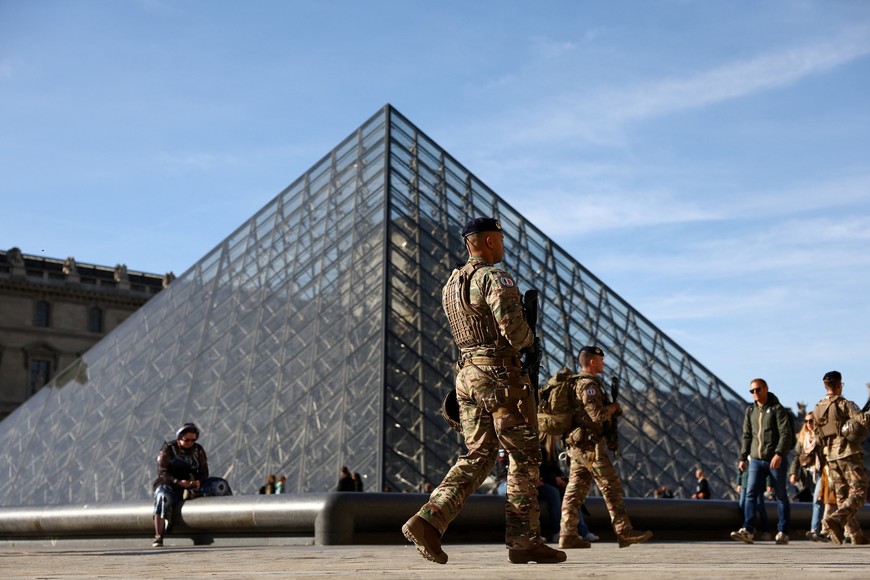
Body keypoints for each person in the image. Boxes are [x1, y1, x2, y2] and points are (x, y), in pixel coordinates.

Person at [402, 216, 565, 565]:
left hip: (467, 376)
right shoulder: (495, 277)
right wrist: (530, 341)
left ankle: (428, 520)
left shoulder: (451, 283)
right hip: (500, 378)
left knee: (478, 455)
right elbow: (512, 329)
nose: (504, 246)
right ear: (489, 241)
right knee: (524, 458)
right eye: (501, 240)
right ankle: (524, 541)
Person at [557, 346, 652, 549]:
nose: (603, 364)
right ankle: (624, 531)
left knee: (575, 491)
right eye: (601, 360)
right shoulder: (588, 385)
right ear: (592, 362)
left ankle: (567, 534)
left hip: (578, 446)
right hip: (591, 447)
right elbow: (596, 415)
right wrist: (614, 408)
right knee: (611, 488)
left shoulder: (576, 383)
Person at [730, 378, 793, 545]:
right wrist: (743, 457)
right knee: (750, 494)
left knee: (781, 496)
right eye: (752, 391)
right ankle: (748, 529)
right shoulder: (750, 411)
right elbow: (746, 436)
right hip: (756, 460)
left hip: (774, 459)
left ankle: (782, 531)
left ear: (766, 389)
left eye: (757, 390)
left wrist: (779, 454)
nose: (755, 394)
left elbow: (785, 433)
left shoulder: (777, 409)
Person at [151, 423, 232, 547]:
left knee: (221, 485)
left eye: (193, 440)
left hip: (192, 485)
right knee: (162, 497)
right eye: (187, 440)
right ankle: (159, 535)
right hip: (171, 485)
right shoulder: (168, 449)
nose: (190, 443)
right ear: (179, 437)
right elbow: (162, 473)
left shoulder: (198, 450)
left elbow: (204, 472)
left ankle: (229, 524)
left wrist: (199, 481)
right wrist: (178, 482)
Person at [813, 371, 869, 545]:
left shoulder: (817, 408)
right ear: (839, 385)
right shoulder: (845, 404)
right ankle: (836, 520)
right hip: (847, 453)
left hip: (830, 456)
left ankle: (854, 534)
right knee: (859, 491)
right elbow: (863, 420)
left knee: (842, 494)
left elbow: (817, 435)